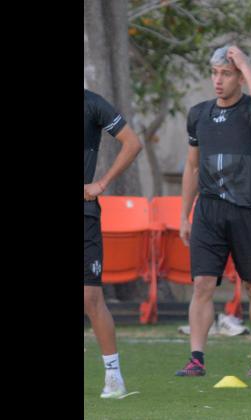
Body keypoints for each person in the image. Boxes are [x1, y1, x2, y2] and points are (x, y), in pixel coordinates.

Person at [175, 45, 251, 377]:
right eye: (215, 73)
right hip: (208, 212)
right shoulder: (199, 114)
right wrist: (184, 214)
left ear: (239, 78)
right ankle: (196, 358)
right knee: (203, 283)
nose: (218, 80)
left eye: (226, 73)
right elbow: (192, 167)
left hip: (247, 210)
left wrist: (245, 65)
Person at [84, 89, 143, 398]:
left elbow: (133, 143)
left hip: (85, 213)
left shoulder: (93, 104)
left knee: (90, 297)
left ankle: (113, 377)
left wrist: (102, 183)